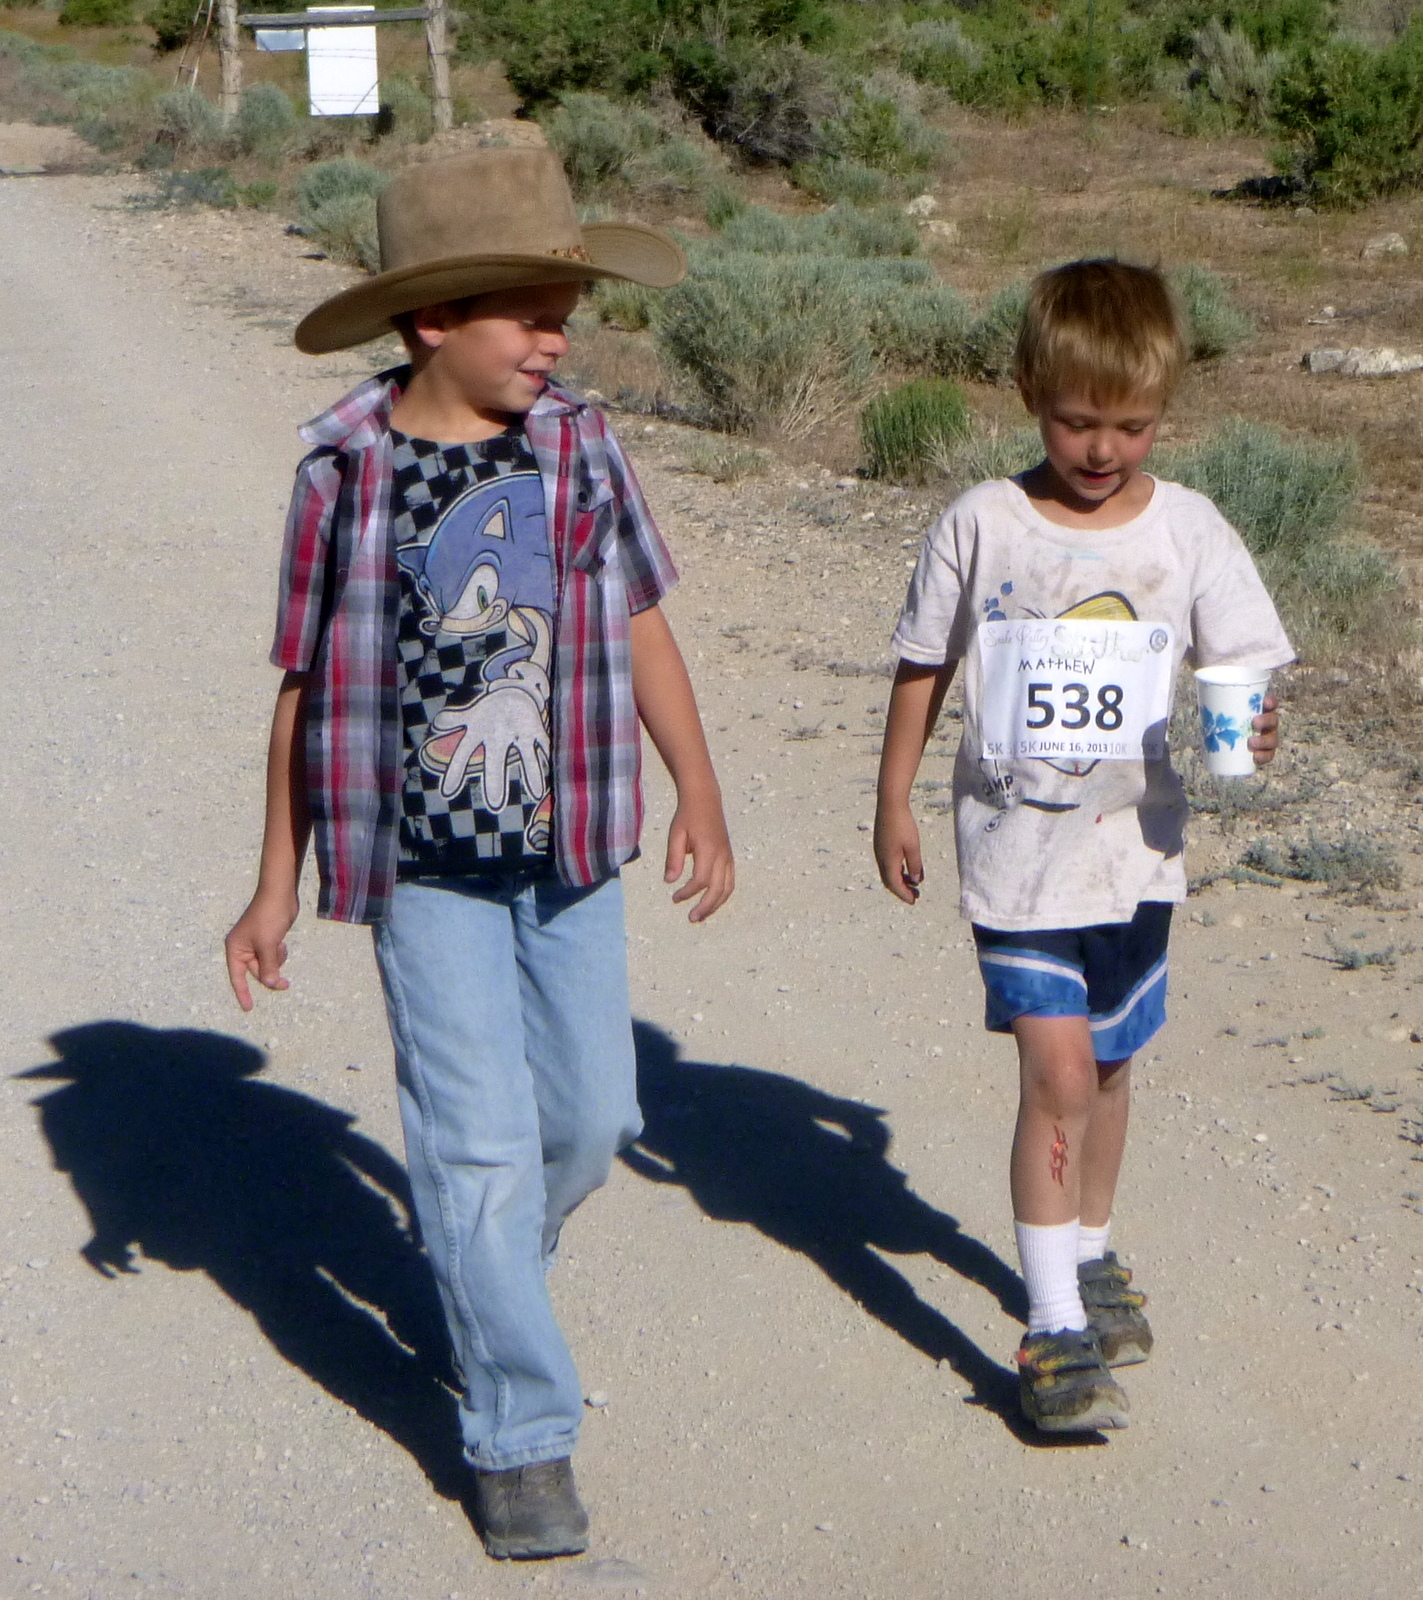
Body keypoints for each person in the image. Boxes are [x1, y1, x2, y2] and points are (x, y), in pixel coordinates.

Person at [224, 150, 734, 1556]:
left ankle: (485, 1262)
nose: (557, 339)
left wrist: (698, 789)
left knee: (594, 1120)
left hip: (570, 847)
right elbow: (300, 686)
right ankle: (520, 1430)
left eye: (564, 313)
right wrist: (274, 882)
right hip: (419, 868)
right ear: (433, 320)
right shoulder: (343, 470)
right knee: (475, 1148)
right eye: (530, 315)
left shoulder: (581, 447)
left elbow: (640, 620)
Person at [872, 259, 1291, 1432]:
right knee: (1055, 1074)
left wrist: (1255, 723)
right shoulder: (981, 524)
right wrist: (892, 797)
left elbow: (1243, 661)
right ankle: (1051, 1327)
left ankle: (1090, 1250)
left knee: (1107, 1069)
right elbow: (923, 664)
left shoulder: (1187, 531)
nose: (1102, 448)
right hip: (1016, 861)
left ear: (1163, 410)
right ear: (1025, 393)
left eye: (1130, 425)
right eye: (1074, 421)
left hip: (1134, 855)